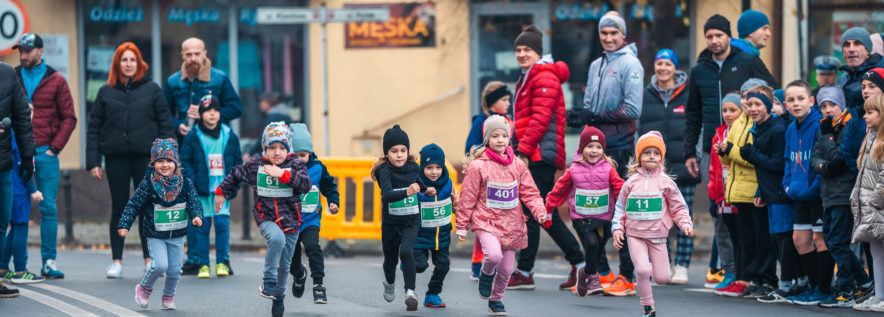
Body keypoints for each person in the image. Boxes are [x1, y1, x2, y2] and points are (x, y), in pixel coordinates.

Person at [566, 13, 642, 295]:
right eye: (604, 33)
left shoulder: (630, 63)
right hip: (592, 151)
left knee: (620, 213)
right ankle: (601, 272)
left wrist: (595, 116)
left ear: (623, 35)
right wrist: (583, 119)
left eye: (614, 33)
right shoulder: (597, 64)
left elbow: (632, 110)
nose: (609, 38)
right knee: (586, 211)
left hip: (620, 148)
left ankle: (627, 276)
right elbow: (588, 106)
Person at [87, 42, 176, 278]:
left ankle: (149, 259)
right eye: (124, 60)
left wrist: (169, 159)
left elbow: (166, 124)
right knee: (120, 207)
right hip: (115, 157)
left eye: (132, 60)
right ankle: (116, 261)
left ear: (139, 63)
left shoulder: (152, 90)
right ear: (118, 64)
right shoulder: (106, 92)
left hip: (146, 159)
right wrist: (93, 161)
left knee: (147, 208)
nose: (128, 64)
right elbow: (94, 128)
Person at [508, 25, 583, 291]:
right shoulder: (530, 76)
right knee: (542, 212)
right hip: (537, 152)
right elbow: (524, 121)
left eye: (527, 49)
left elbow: (539, 121)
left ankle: (525, 271)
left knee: (533, 212)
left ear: (538, 53)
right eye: (518, 49)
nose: (521, 54)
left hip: (540, 154)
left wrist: (523, 152)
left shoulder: (543, 77)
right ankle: (579, 263)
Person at [214, 122, 311, 317]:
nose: (277, 152)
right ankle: (268, 282)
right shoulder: (255, 165)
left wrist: (283, 174)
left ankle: (279, 297)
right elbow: (235, 174)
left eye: (282, 148)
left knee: (285, 265)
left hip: (291, 220)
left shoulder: (295, 165)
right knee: (276, 239)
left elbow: (306, 185)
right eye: (272, 147)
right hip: (265, 216)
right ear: (264, 148)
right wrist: (221, 192)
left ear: (288, 149)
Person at [164, 37, 243, 275]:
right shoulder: (173, 81)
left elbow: (236, 107)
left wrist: (211, 114)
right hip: (184, 149)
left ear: (205, 53)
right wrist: (179, 124)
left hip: (213, 146)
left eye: (197, 54)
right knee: (190, 206)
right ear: (182, 55)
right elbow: (163, 113)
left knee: (216, 217)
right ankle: (195, 258)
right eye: (188, 55)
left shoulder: (219, 78)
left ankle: (221, 260)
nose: (193, 59)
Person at [456, 115, 548, 316]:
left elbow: (530, 192)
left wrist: (539, 211)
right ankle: (486, 273)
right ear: (487, 139)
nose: (500, 140)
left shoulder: (518, 165)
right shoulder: (478, 166)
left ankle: (496, 300)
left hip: (511, 224)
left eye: (504, 136)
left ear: (509, 139)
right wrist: (462, 225)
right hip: (486, 222)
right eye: (495, 136)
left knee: (507, 268)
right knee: (494, 255)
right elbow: (468, 197)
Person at [683, 14, 776, 185]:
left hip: (743, 144)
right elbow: (693, 113)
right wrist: (689, 153)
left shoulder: (748, 61)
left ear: (729, 37)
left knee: (741, 202)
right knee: (716, 203)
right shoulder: (699, 70)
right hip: (712, 147)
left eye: (719, 35)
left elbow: (772, 94)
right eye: (709, 37)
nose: (714, 40)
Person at [14, 32, 77, 279]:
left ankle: (48, 262)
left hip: (45, 153)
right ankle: (11, 266)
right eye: (20, 50)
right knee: (15, 211)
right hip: (17, 154)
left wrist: (54, 148)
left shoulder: (56, 80)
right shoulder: (12, 76)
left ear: (40, 51)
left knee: (48, 208)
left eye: (27, 50)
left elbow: (69, 118)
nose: (22, 55)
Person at [611, 131, 694, 317]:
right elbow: (620, 209)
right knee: (641, 270)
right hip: (635, 234)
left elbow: (678, 207)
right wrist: (617, 229)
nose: (651, 156)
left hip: (658, 236)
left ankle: (649, 269)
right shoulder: (630, 183)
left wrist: (685, 224)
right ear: (639, 156)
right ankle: (648, 307)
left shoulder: (666, 183)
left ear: (661, 158)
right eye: (647, 152)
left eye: (656, 153)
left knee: (662, 278)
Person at [118, 138, 204, 310]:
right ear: (153, 163)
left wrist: (197, 216)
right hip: (155, 234)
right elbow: (134, 204)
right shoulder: (148, 184)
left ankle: (168, 296)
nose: (165, 165)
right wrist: (125, 223)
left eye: (169, 161)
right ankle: (144, 288)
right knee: (160, 265)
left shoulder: (185, 183)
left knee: (174, 270)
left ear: (176, 163)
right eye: (160, 161)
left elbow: (194, 201)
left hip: (177, 234)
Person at [638, 49, 700, 284]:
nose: (663, 68)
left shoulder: (687, 94)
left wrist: (694, 157)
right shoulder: (646, 94)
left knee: (684, 216)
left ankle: (682, 266)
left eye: (668, 64)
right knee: (657, 219)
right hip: (655, 169)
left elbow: (697, 126)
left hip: (684, 165)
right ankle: (663, 263)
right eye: (659, 63)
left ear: (676, 68)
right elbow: (638, 129)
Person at [810, 86, 875, 308]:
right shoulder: (824, 128)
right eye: (823, 106)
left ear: (842, 105)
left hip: (843, 192)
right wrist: (824, 166)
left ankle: (845, 288)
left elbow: (841, 158)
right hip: (827, 192)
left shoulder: (846, 127)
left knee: (838, 241)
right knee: (831, 239)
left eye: (832, 105)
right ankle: (864, 281)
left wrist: (828, 138)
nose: (828, 110)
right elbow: (816, 157)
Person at [713, 79, 776, 297]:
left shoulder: (760, 125)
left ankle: (764, 279)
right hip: (737, 189)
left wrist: (730, 151)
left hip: (754, 190)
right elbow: (729, 159)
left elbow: (752, 158)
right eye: (746, 100)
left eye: (754, 101)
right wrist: (724, 152)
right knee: (746, 239)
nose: (750, 106)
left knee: (761, 239)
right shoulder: (740, 122)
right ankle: (751, 279)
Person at [545, 127, 624, 296]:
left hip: (604, 218)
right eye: (589, 146)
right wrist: (549, 207)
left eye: (598, 147)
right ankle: (593, 278)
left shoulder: (609, 169)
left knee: (598, 247)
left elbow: (619, 188)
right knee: (591, 244)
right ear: (581, 149)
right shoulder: (573, 170)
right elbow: (559, 189)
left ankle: (584, 272)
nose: (594, 151)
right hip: (582, 217)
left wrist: (626, 208)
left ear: (603, 150)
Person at [779, 81, 832, 305]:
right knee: (800, 240)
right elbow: (788, 161)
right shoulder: (791, 128)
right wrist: (787, 185)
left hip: (817, 194)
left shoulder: (819, 124)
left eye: (801, 98)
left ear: (811, 101)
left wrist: (814, 188)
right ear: (785, 105)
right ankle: (812, 286)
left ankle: (824, 288)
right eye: (791, 100)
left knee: (820, 239)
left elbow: (824, 158)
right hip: (799, 194)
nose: (796, 103)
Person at [370, 124, 434, 311]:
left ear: (408, 151)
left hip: (410, 221)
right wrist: (407, 192)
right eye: (394, 151)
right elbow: (387, 195)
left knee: (406, 252)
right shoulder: (385, 171)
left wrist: (426, 189)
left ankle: (410, 292)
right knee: (390, 260)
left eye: (403, 150)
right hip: (391, 223)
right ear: (387, 153)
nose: (399, 155)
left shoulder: (414, 167)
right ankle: (390, 282)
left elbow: (418, 182)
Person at [180, 95, 242, 279]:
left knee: (222, 224)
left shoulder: (229, 134)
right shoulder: (193, 135)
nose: (212, 114)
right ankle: (203, 264)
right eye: (207, 111)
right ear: (200, 114)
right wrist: (192, 183)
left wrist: (233, 185)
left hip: (222, 191)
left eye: (215, 110)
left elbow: (237, 162)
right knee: (203, 227)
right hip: (201, 191)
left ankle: (222, 262)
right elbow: (185, 160)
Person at [287, 123, 339, 304]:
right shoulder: (284, 170)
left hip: (310, 219)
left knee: (312, 247)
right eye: (295, 155)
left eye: (303, 155)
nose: (299, 160)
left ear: (310, 153)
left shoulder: (318, 168)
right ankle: (299, 275)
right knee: (291, 256)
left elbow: (330, 187)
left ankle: (319, 284)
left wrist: (333, 201)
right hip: (290, 221)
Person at [0, 61, 33, 298]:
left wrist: (28, 157)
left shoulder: (7, 74)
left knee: (2, 222)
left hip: (3, 164)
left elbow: (22, 118)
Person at [850, 93, 884, 312]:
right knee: (876, 251)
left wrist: (875, 201)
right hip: (870, 207)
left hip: (878, 206)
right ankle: (879, 294)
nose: (865, 115)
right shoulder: (870, 136)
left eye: (871, 112)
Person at [412, 143, 456, 308]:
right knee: (419, 266)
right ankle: (407, 260)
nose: (434, 171)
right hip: (419, 236)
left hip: (442, 236)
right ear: (422, 167)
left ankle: (432, 294)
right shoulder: (416, 185)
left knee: (443, 264)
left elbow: (456, 202)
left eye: (438, 167)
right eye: (429, 167)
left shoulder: (448, 183)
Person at [0, 127, 44, 284]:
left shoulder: (8, 131)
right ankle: (20, 271)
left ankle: (3, 268)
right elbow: (23, 165)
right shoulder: (18, 133)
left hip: (9, 186)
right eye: (29, 110)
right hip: (19, 189)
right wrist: (33, 190)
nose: (30, 115)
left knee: (10, 229)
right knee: (21, 226)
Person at [708, 93, 743, 290]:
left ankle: (742, 274)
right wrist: (713, 195)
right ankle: (729, 271)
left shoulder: (743, 132)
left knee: (739, 235)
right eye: (725, 110)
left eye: (733, 110)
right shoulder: (718, 134)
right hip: (721, 195)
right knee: (723, 235)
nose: (728, 114)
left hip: (738, 193)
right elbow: (713, 168)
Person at [465, 81, 512, 155]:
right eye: (504, 100)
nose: (508, 103)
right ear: (493, 101)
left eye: (508, 100)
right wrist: (493, 147)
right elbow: (469, 149)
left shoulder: (509, 120)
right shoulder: (480, 121)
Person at [247, 92, 294, 158]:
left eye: (263, 102)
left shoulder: (274, 116)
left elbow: (263, 137)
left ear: (269, 102)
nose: (260, 104)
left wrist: (250, 153)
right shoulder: (282, 114)